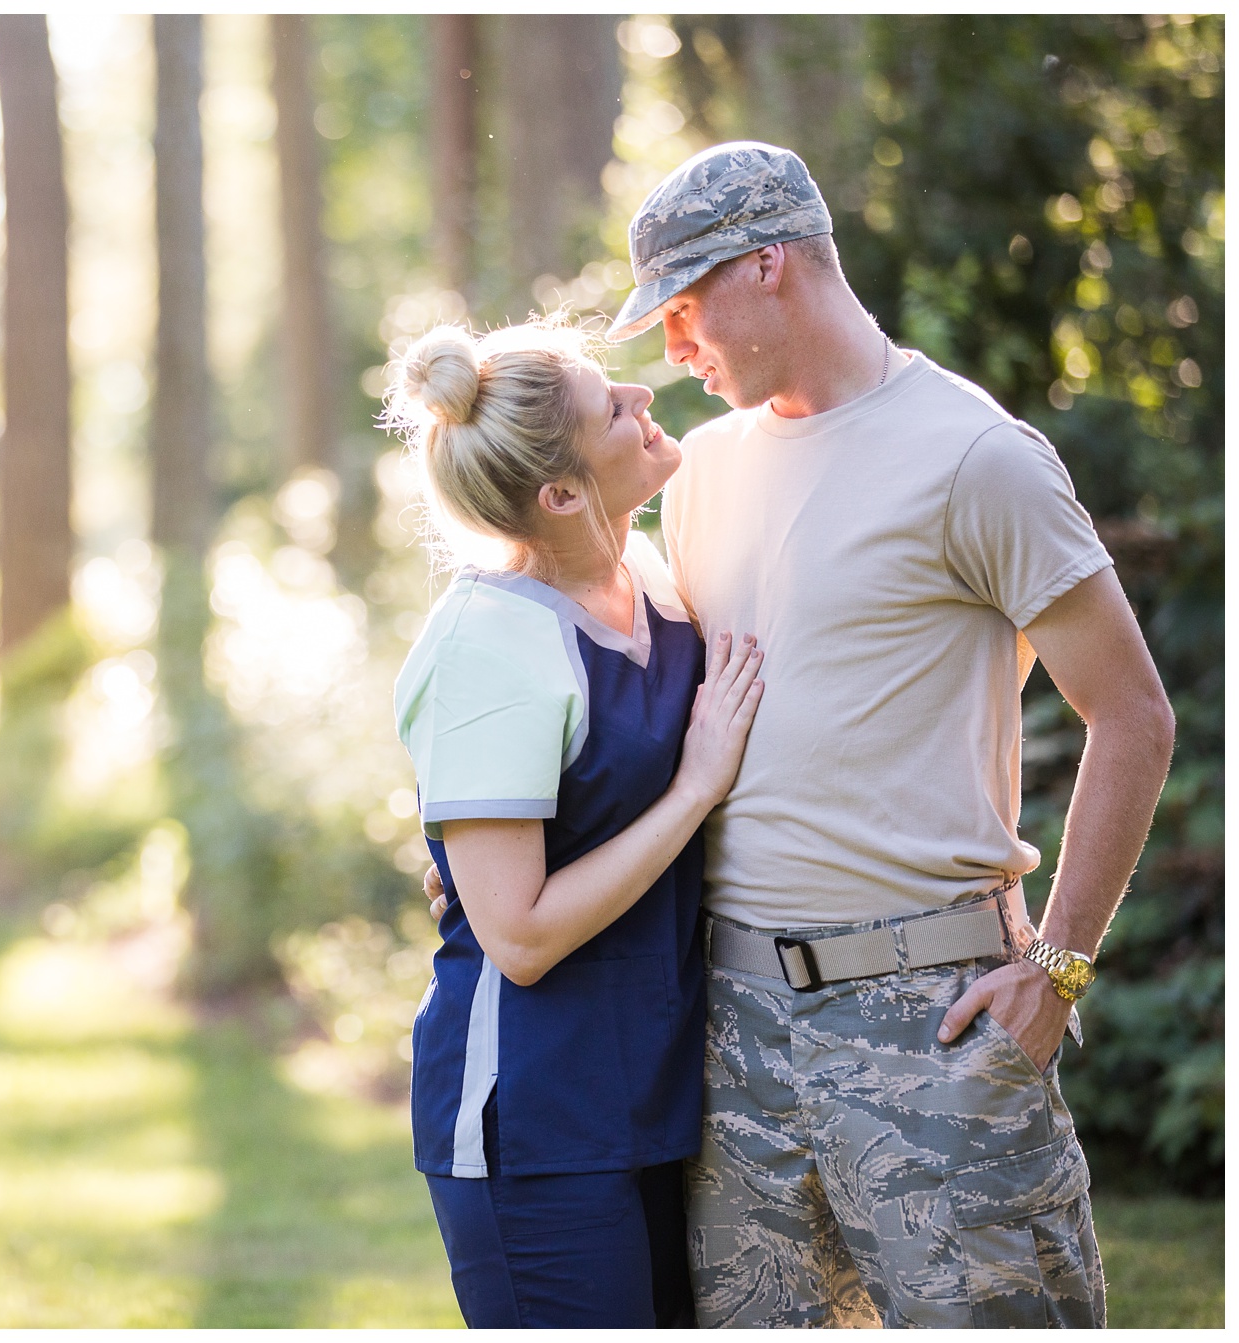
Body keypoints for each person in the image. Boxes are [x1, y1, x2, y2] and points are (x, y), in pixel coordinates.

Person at [605, 141, 1174, 1327]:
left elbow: (1130, 715)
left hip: (934, 1026)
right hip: (734, 1038)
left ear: (768, 267)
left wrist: (1056, 971)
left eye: (683, 307)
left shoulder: (975, 458)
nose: (673, 348)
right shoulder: (700, 471)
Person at [386, 316, 765, 1328]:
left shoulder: (653, 583)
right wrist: (694, 786)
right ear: (558, 494)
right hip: (534, 1125)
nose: (642, 400)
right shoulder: (486, 643)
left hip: (659, 1096)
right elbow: (516, 935)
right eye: (612, 407)